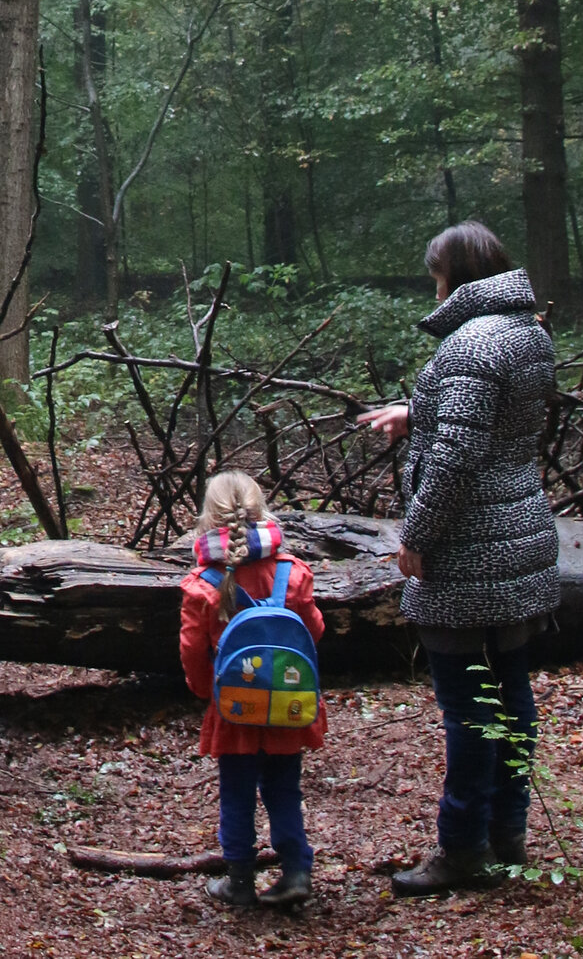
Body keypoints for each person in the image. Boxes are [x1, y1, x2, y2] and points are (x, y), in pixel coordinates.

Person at [357, 220, 560, 896]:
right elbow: (490, 418)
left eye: (435, 273)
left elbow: (458, 457)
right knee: (511, 691)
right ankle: (508, 834)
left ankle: (463, 848)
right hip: (519, 535)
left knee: (470, 703)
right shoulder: (524, 330)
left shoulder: (471, 345)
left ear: (453, 275)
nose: (432, 285)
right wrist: (414, 412)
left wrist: (417, 536)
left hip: (474, 549)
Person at [178, 470, 327, 909]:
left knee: (236, 792)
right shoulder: (291, 573)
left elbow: (191, 649)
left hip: (234, 709)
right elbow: (312, 632)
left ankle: (239, 879)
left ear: (209, 517)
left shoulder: (203, 584)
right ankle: (296, 871)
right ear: (261, 512)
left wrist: (209, 694)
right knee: (285, 790)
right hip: (286, 704)